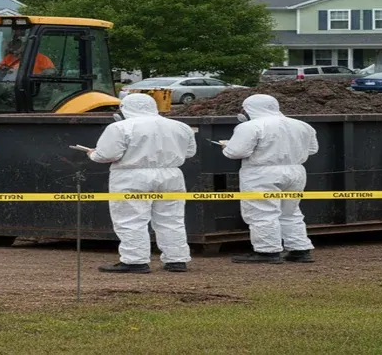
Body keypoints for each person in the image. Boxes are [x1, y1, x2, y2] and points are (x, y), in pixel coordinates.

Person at [81, 93, 197, 273]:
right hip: (172, 174)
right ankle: (177, 260)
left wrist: (92, 154)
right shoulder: (181, 127)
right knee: (171, 218)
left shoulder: (120, 127)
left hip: (131, 175)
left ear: (125, 108)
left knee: (131, 218)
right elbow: (189, 152)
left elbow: (107, 155)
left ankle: (135, 261)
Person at [221, 94, 318, 264]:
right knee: (291, 211)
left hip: (261, 173)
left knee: (262, 212)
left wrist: (226, 146)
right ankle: (299, 249)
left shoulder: (250, 126)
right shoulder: (303, 126)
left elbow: (236, 152)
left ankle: (267, 251)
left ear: (250, 108)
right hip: (296, 171)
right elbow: (312, 150)